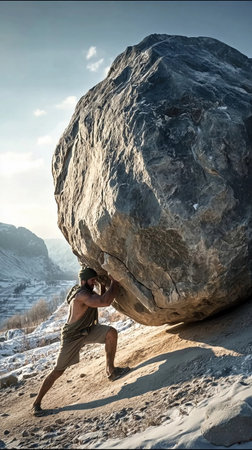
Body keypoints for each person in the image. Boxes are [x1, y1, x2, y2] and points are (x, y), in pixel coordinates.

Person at [32, 267, 130, 416]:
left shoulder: (85, 290)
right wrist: (114, 282)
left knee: (111, 333)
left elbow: (99, 300)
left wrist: (103, 286)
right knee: (58, 371)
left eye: (95, 280)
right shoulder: (82, 295)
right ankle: (36, 403)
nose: (94, 283)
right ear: (83, 281)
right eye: (92, 281)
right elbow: (104, 302)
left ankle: (111, 371)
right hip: (72, 337)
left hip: (87, 330)